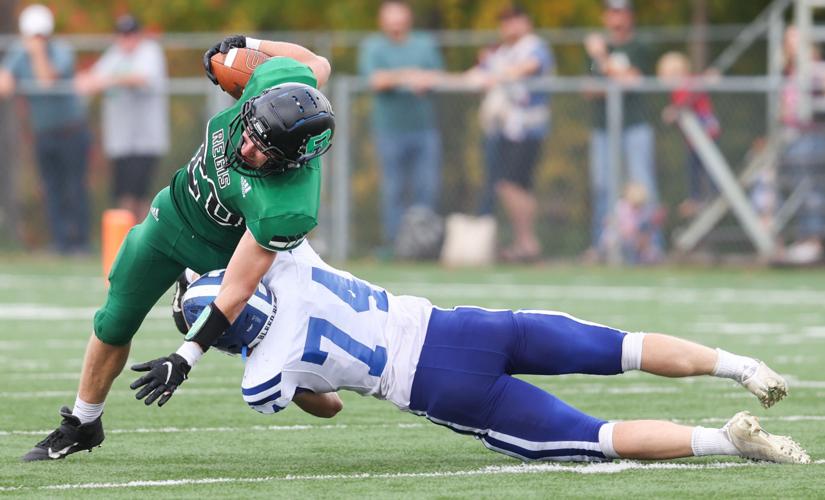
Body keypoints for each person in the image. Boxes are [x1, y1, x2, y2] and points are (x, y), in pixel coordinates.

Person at [144, 242, 805, 465]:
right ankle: (738, 365)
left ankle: (725, 442)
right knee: (620, 347)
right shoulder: (288, 263)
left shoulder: (262, 372)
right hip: (465, 328)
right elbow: (257, 246)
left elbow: (331, 407)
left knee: (594, 437)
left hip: (434, 385)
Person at [21, 35, 335, 462]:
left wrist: (186, 356)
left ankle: (282, 352)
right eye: (249, 131)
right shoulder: (279, 88)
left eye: (263, 150)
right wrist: (250, 42)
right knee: (114, 321)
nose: (246, 147)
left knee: (316, 394)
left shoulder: (288, 205)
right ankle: (83, 423)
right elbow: (317, 62)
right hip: (169, 219)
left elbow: (241, 285)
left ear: (289, 160)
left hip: (228, 256)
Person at [0, 4, 91, 255]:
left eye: (39, 36)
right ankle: (60, 243)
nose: (35, 41)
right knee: (51, 189)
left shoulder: (61, 51)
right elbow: (4, 82)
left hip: (72, 132)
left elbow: (46, 79)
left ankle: (80, 243)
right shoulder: (20, 53)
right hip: (44, 134)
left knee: (74, 187)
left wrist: (37, 53)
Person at [466, 6, 554, 263]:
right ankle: (524, 242)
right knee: (515, 186)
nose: (510, 26)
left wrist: (494, 74)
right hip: (506, 129)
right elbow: (477, 76)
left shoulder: (533, 46)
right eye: (505, 21)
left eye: (515, 20)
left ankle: (528, 242)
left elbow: (528, 67)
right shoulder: (502, 52)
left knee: (510, 185)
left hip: (527, 127)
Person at [358, 0, 444, 256]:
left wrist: (419, 79)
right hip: (389, 131)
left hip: (424, 130)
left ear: (408, 18)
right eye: (390, 16)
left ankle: (425, 247)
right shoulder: (373, 46)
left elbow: (436, 76)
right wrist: (408, 76)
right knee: (393, 190)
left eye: (399, 16)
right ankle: (395, 245)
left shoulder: (424, 43)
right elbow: (375, 80)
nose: (395, 21)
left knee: (426, 188)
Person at [584, 0, 661, 262]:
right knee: (603, 187)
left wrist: (603, 59)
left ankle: (650, 246)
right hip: (603, 128)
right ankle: (603, 245)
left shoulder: (637, 46)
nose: (617, 19)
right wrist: (613, 78)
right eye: (612, 13)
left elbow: (631, 80)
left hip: (634, 125)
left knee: (642, 186)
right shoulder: (597, 50)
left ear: (630, 16)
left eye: (622, 13)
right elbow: (589, 89)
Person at [75, 14, 170, 220]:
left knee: (139, 196)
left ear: (138, 35)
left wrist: (107, 80)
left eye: (131, 34)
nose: (127, 39)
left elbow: (140, 78)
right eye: (123, 35)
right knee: (123, 195)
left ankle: (142, 241)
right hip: (120, 140)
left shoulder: (150, 52)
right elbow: (91, 81)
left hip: (145, 140)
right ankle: (125, 240)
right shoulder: (114, 55)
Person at [773, 26, 825, 266]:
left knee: (811, 191)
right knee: (797, 191)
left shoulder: (817, 68)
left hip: (812, 136)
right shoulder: (788, 72)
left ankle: (813, 241)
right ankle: (805, 239)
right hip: (792, 137)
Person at [657, 51, 721, 219]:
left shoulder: (688, 83)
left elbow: (689, 98)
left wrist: (674, 111)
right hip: (694, 139)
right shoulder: (678, 89)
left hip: (705, 131)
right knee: (694, 167)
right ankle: (697, 198)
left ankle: (711, 194)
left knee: (706, 166)